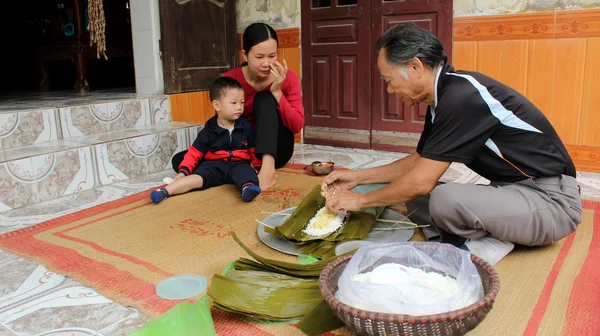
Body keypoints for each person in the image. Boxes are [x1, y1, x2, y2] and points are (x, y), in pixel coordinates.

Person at [321, 23, 582, 266]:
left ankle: (486, 243)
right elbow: (417, 163)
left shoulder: (463, 98)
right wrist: (358, 176)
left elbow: (421, 180)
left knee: (442, 198)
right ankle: (481, 235)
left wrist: (358, 201)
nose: (389, 90)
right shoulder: (444, 98)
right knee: (420, 198)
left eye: (388, 81)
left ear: (415, 67)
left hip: (553, 203)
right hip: (512, 193)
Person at [171, 22, 304, 191]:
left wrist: (277, 93)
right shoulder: (230, 82)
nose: (266, 63)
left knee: (265, 98)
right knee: (180, 161)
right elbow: (222, 123)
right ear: (245, 55)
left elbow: (296, 125)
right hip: (243, 149)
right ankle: (237, 171)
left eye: (272, 56)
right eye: (259, 57)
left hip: (276, 149)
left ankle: (266, 170)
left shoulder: (287, 78)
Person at [151, 77, 262, 204]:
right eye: (234, 103)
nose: (240, 107)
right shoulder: (209, 130)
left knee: (247, 174)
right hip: (214, 166)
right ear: (217, 105)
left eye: (242, 102)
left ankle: (247, 190)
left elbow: (253, 149)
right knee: (195, 179)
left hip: (239, 165)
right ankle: (164, 192)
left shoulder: (245, 126)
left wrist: (257, 167)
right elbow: (194, 153)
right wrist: (183, 171)